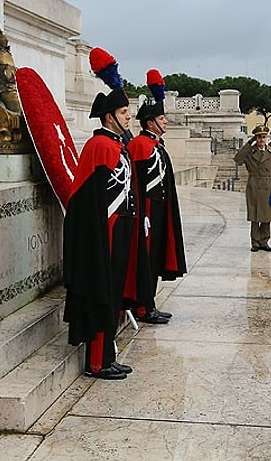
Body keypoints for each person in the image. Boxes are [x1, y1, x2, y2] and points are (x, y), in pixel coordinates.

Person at [63, 86, 136, 380]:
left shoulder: (116, 144)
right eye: (122, 112)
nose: (129, 116)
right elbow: (87, 197)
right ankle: (97, 362)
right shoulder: (99, 147)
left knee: (114, 292)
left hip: (120, 227)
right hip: (105, 230)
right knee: (102, 293)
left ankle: (108, 354)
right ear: (109, 117)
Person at [126, 69, 187, 325]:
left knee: (155, 257)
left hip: (159, 209)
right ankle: (143, 306)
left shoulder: (154, 144)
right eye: (162, 119)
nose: (166, 122)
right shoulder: (141, 145)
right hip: (148, 210)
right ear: (150, 122)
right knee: (146, 259)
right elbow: (138, 184)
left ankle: (149, 302)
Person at [234, 124, 271, 251]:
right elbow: (237, 159)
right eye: (259, 137)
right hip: (254, 184)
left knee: (267, 216)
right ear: (255, 138)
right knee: (254, 215)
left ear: (267, 138)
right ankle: (255, 242)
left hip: (268, 185)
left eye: (263, 137)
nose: (261, 139)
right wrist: (249, 144)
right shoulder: (249, 152)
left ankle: (264, 241)